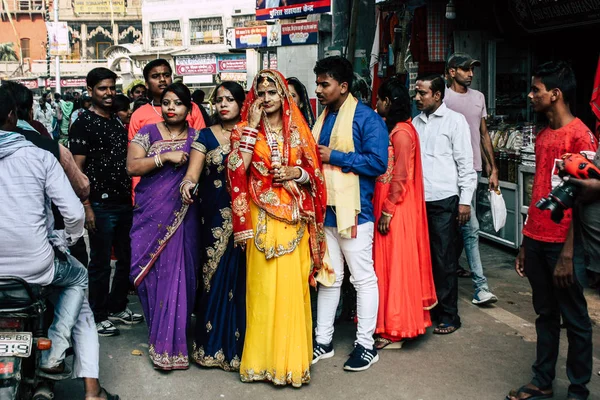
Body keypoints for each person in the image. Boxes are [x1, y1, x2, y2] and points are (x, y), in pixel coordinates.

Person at [0, 88, 119, 400]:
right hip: (36, 266)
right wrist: (62, 241)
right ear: (14, 116)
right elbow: (74, 212)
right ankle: (55, 352)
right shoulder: (42, 154)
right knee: (78, 277)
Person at [226, 69, 331, 387]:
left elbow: (315, 174)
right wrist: (251, 129)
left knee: (289, 288)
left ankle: (290, 365)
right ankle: (260, 363)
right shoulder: (244, 130)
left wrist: (295, 172)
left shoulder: (298, 131)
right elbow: (236, 171)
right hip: (259, 218)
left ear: (283, 95)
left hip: (294, 217)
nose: (266, 98)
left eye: (272, 92)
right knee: (261, 289)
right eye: (261, 92)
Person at [508, 61, 596, 400]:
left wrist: (568, 253)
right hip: (538, 239)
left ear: (555, 94)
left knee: (575, 319)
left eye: (536, 90)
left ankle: (578, 389)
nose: (531, 95)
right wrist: (525, 243)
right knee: (545, 315)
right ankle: (542, 382)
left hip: (565, 245)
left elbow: (582, 201)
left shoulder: (581, 135)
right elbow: (538, 192)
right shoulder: (544, 136)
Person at [312, 56, 388, 371]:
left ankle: (366, 345)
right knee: (329, 279)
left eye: (324, 84)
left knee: (362, 279)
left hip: (355, 212)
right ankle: (323, 341)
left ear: (343, 86)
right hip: (324, 211)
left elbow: (377, 163)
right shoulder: (324, 116)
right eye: (317, 83)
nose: (318, 90)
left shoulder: (368, 119)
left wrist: (335, 156)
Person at [127, 82, 199, 370]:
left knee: (181, 276)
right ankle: (159, 336)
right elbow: (132, 167)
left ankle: (173, 344)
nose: (171, 108)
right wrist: (164, 157)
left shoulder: (198, 137)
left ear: (189, 108)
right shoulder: (147, 133)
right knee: (151, 275)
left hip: (185, 216)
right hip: (150, 213)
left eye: (178, 103)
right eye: (166, 102)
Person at [70, 67, 143, 337]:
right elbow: (77, 170)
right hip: (99, 206)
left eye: (112, 87)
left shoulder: (116, 122)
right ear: (90, 91)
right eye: (103, 88)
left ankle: (117, 306)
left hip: (123, 201)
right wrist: (86, 205)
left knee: (126, 259)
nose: (109, 93)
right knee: (100, 263)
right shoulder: (83, 123)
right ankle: (98, 315)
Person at [180, 81, 247, 371]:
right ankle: (211, 346)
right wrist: (187, 185)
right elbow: (192, 174)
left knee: (243, 281)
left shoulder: (251, 134)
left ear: (241, 103)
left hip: (247, 218)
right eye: (218, 100)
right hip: (214, 218)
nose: (222, 104)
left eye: (229, 99)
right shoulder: (205, 136)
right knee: (213, 277)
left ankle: (242, 348)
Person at [372, 78, 437, 349]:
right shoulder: (402, 129)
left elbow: (400, 176)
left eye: (380, 100)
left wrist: (387, 210)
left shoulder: (400, 132)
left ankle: (395, 331)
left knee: (394, 268)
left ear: (388, 102)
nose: (376, 105)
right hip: (394, 206)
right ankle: (392, 325)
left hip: (395, 208)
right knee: (391, 267)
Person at [412, 74, 477, 335]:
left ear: (437, 95)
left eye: (423, 93)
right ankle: (431, 310)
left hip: (445, 200)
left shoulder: (455, 122)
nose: (417, 98)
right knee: (423, 259)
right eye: (416, 93)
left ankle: (450, 315)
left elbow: (466, 163)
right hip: (418, 201)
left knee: (444, 259)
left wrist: (465, 201)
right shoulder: (415, 123)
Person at [3, 81, 90, 266]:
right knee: (78, 277)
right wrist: (66, 238)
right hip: (42, 252)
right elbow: (81, 191)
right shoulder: (46, 150)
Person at [444, 52, 499, 305]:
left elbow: (484, 134)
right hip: (445, 174)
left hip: (472, 172)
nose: (471, 74)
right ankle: (478, 285)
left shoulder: (479, 98)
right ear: (452, 71)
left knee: (467, 227)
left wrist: (492, 169)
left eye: (472, 70)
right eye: (466, 69)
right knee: (465, 228)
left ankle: (477, 285)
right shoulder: (442, 98)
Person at [128, 59, 206, 194]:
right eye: (155, 76)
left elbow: (202, 146)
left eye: (166, 75)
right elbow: (134, 162)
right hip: (151, 193)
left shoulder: (193, 109)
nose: (162, 80)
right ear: (146, 84)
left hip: (187, 188)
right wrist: (136, 194)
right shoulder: (139, 115)